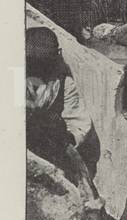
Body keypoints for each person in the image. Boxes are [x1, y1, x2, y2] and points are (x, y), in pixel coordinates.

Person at [25, 26, 96, 188]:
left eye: (45, 63)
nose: (39, 70)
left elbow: (78, 122)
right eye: (34, 64)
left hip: (46, 149)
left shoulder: (63, 82)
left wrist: (66, 137)